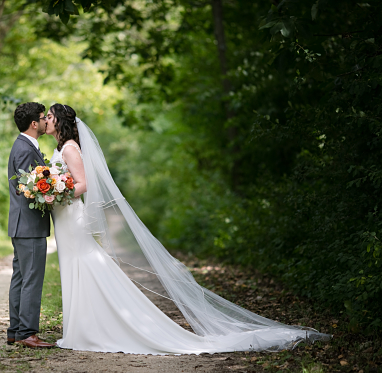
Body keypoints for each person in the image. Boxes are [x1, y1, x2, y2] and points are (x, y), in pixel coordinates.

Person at [44, 103, 331, 354]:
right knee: (74, 267)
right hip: (66, 218)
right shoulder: (60, 148)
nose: (46, 118)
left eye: (50, 115)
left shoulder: (70, 148)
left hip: (72, 216)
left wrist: (56, 192)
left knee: (86, 266)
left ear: (61, 122)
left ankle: (96, 328)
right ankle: (80, 328)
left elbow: (83, 185)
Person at [6, 102, 55, 348]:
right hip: (29, 226)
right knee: (31, 279)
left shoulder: (22, 146)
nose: (47, 121)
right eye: (43, 118)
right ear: (34, 124)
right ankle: (27, 333)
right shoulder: (25, 149)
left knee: (21, 277)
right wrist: (55, 190)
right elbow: (30, 189)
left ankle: (15, 330)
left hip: (21, 226)